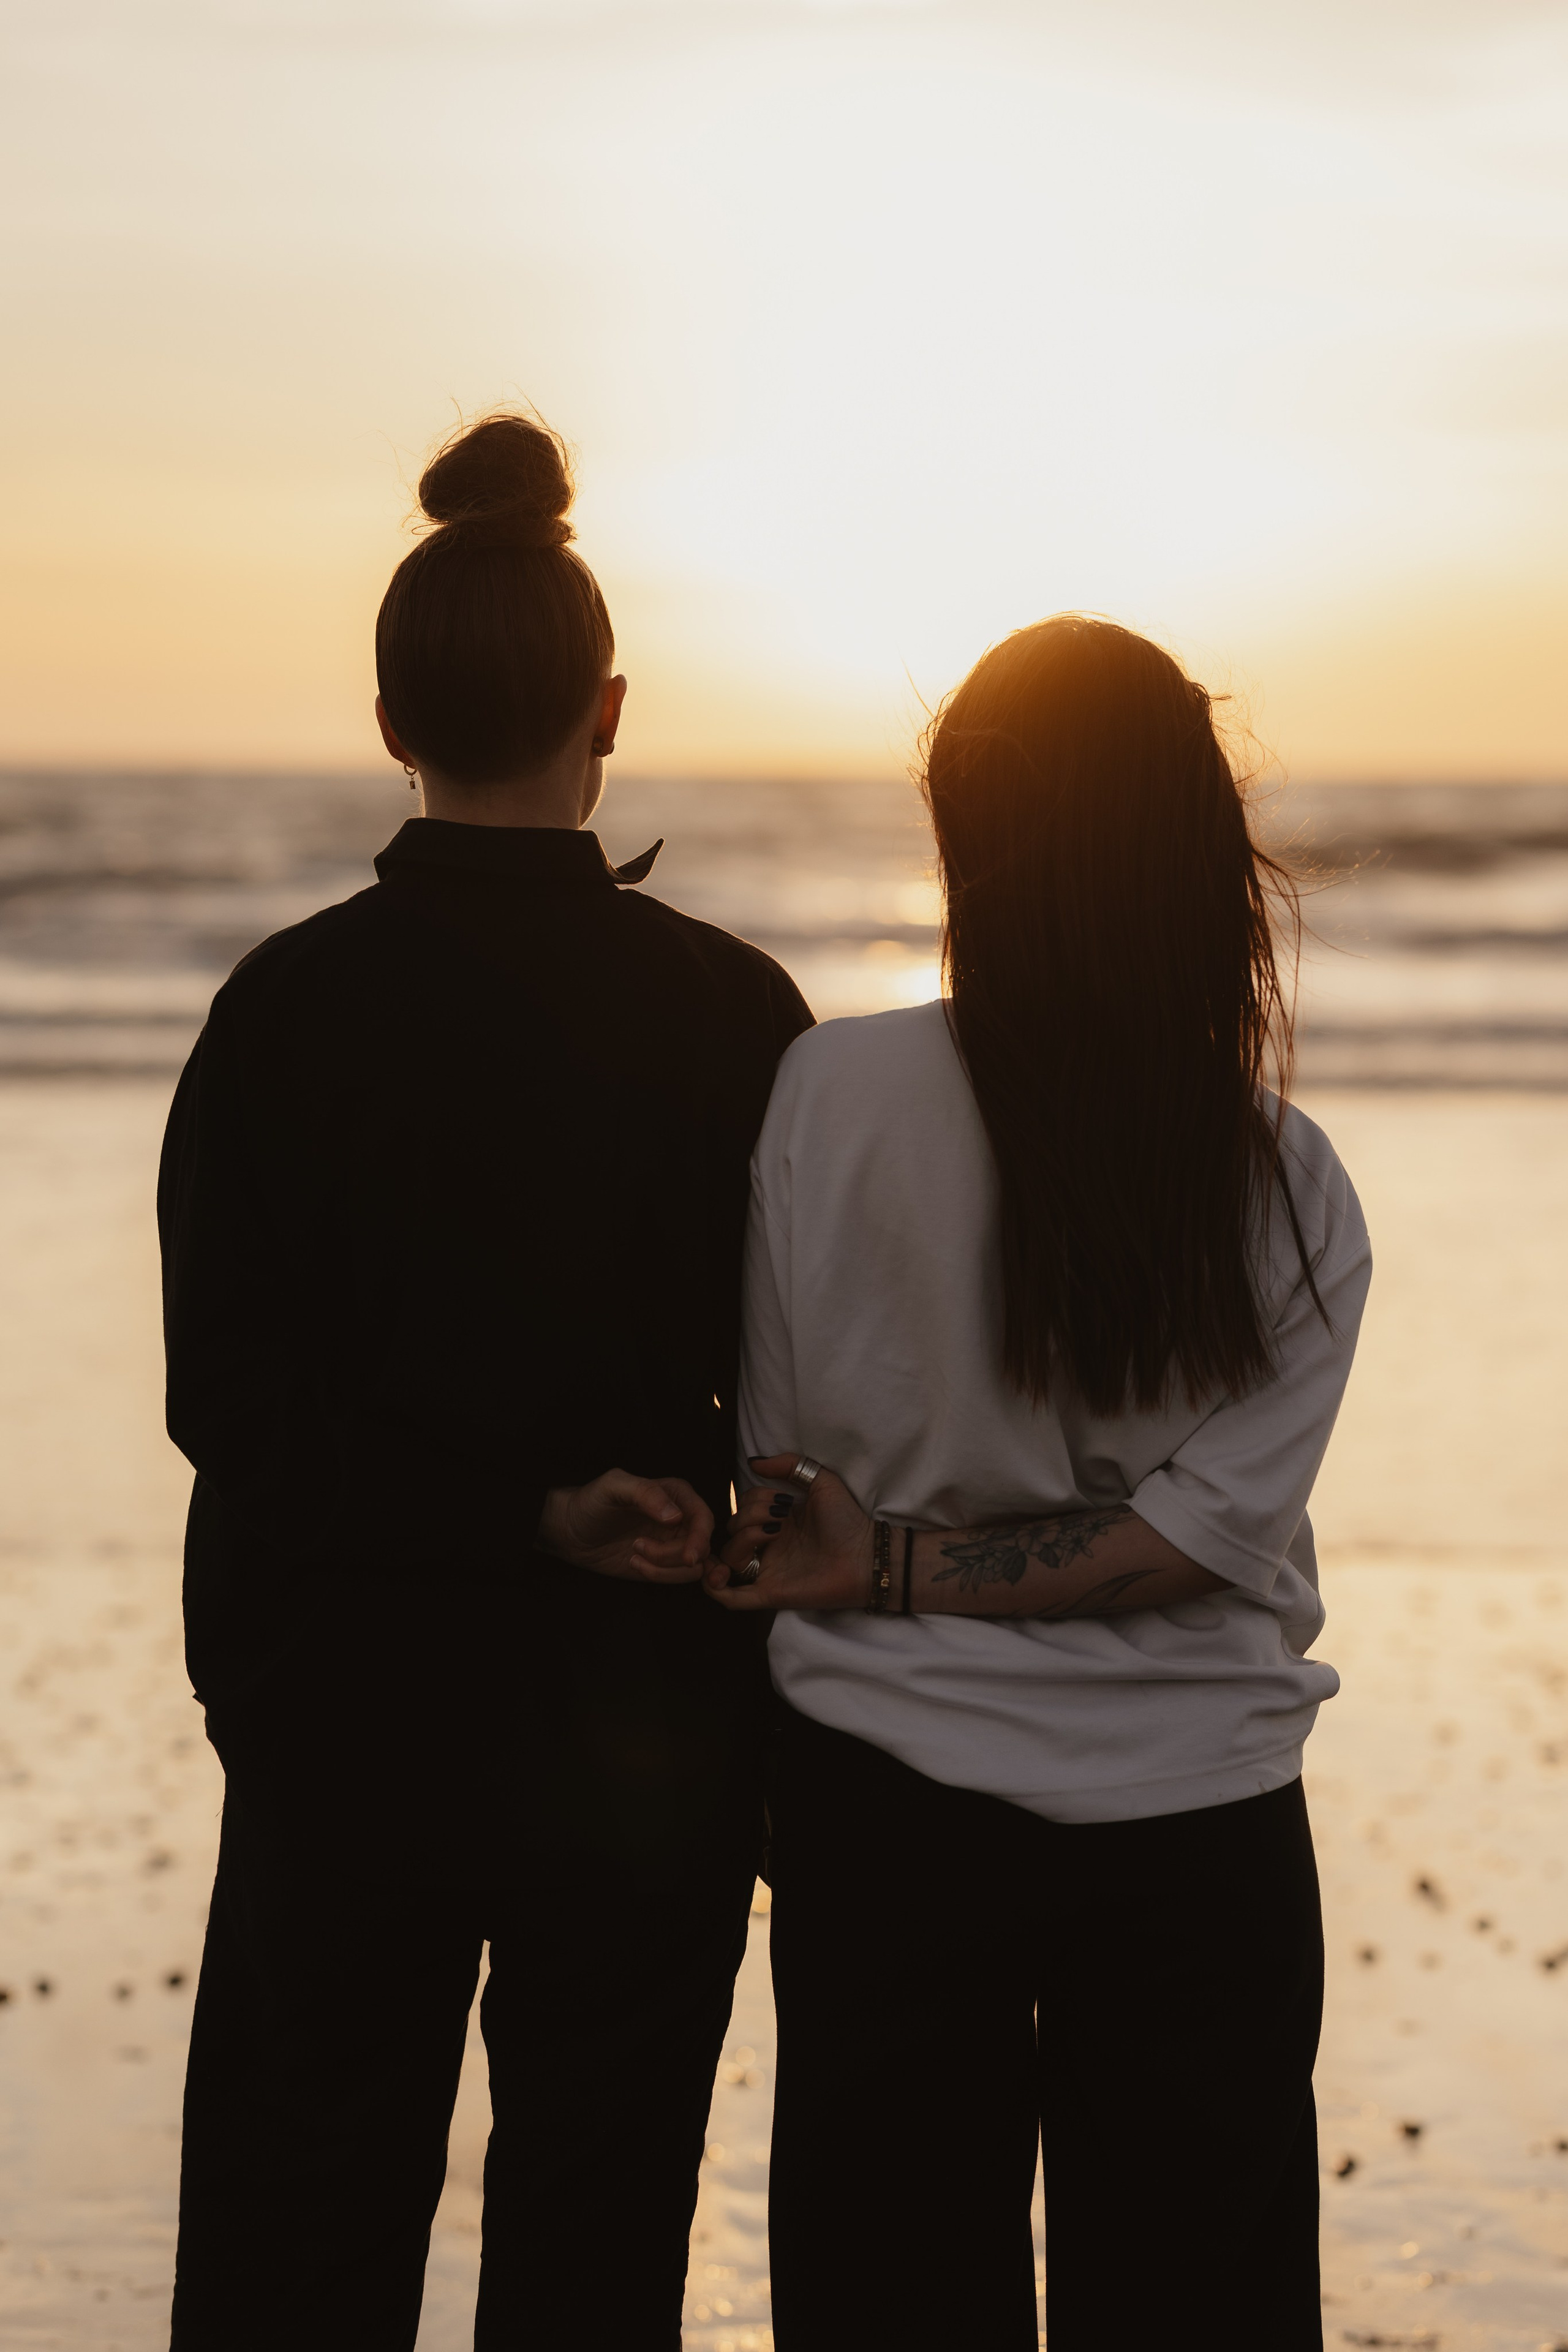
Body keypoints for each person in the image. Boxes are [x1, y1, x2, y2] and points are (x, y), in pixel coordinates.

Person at [159, 410, 812, 2350]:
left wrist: (494, 1507)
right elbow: (798, 1389)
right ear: (609, 706)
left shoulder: (287, 1011)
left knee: (298, 2234)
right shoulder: (735, 1016)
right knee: (596, 2244)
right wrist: (688, 1508)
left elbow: (232, 1405)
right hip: (645, 1722)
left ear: (389, 716)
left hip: (342, 1711)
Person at [708, 616, 1371, 2352]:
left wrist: (885, 1574)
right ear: (1194, 861)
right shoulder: (1285, 1184)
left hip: (886, 1813)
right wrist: (906, 1561)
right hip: (1196, 1828)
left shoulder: (829, 1097)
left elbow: (783, 1481)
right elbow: (1183, 1542)